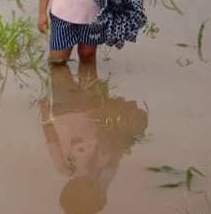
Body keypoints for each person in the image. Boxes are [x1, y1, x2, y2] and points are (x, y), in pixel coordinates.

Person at [40, 62, 148, 214]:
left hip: (66, 109)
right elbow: (118, 147)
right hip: (89, 108)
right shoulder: (104, 165)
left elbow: (51, 137)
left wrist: (45, 114)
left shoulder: (64, 167)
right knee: (86, 70)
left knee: (62, 70)